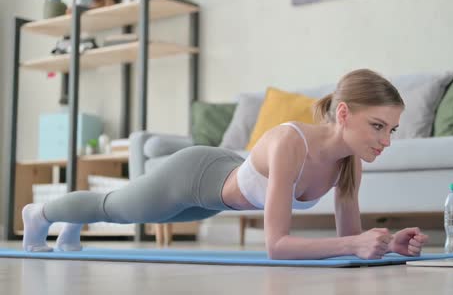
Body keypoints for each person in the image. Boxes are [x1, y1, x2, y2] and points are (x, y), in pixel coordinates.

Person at [22, 69, 429, 260]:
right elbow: (277, 246)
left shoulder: (350, 164)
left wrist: (386, 245)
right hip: (195, 177)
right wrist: (354, 244)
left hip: (221, 196)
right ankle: (39, 213)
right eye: (378, 126)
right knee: (114, 208)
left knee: (111, 206)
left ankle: (71, 223)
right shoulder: (293, 143)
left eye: (392, 130)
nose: (385, 141)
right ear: (343, 114)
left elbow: (350, 241)